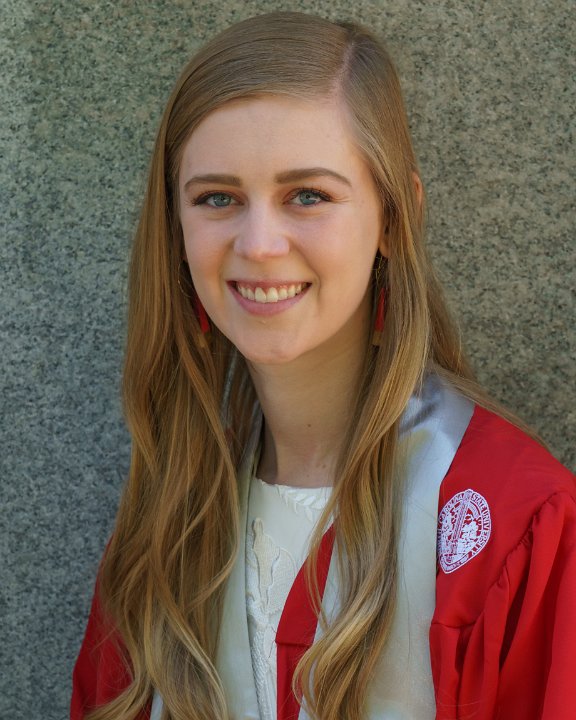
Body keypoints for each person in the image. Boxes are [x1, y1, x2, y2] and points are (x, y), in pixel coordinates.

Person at [71, 11, 576, 720]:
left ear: (395, 218)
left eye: (307, 195)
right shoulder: (166, 523)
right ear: (176, 228)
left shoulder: (517, 519)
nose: (259, 243)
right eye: (217, 198)